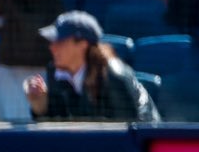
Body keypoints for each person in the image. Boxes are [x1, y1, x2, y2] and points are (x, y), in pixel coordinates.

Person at [22, 10, 157, 122]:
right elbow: (57, 129)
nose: (52, 48)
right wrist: (40, 107)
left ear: (82, 44)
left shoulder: (114, 78)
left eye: (60, 42)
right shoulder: (54, 73)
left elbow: (129, 135)